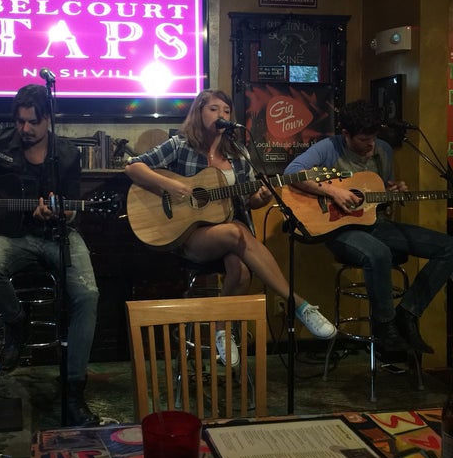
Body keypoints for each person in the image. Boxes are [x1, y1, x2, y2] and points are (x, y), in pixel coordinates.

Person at [124, 89, 336, 367]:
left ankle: (220, 330)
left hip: (228, 235)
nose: (221, 115)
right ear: (199, 113)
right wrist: (171, 185)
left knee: (241, 271)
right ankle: (298, 304)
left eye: (226, 111)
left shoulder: (238, 153)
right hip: (188, 237)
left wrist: (260, 198)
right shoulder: (180, 145)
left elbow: (246, 200)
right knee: (235, 232)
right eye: (213, 109)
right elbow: (133, 168)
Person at [0, 83, 100, 426]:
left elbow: (73, 211)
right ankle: (15, 323)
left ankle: (73, 391)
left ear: (48, 121)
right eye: (20, 121)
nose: (25, 130)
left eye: (32, 123)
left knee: (88, 294)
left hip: (58, 235)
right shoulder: (2, 145)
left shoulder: (68, 155)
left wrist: (59, 213)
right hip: (14, 236)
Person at [283, 99, 453, 354]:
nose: (370, 144)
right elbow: (291, 173)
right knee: (378, 252)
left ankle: (407, 313)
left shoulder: (383, 150)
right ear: (346, 135)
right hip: (338, 229)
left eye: (373, 137)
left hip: (374, 223)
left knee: (448, 246)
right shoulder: (329, 148)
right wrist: (333, 192)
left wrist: (393, 192)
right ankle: (384, 327)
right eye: (364, 139)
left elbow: (376, 192)